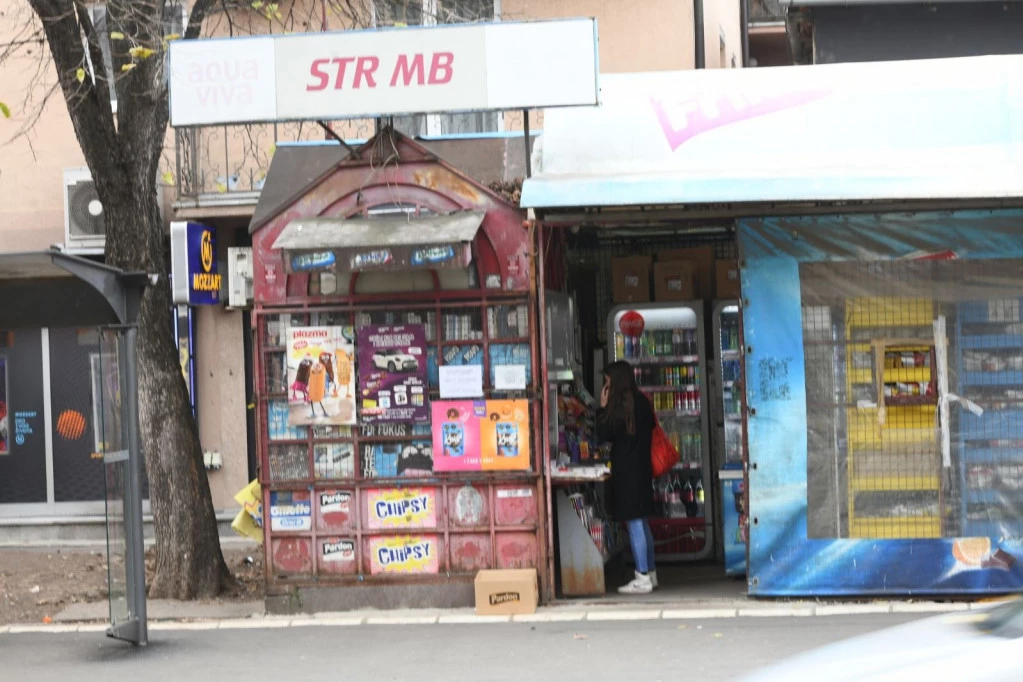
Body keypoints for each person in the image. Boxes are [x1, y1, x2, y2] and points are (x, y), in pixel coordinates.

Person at [596, 360, 658, 594]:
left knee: (634, 524)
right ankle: (650, 573)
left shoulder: (619, 406)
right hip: (642, 468)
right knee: (642, 523)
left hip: (626, 470)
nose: (606, 386)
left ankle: (641, 577)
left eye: (608, 382)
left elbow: (604, 434)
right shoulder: (641, 401)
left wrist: (602, 407)